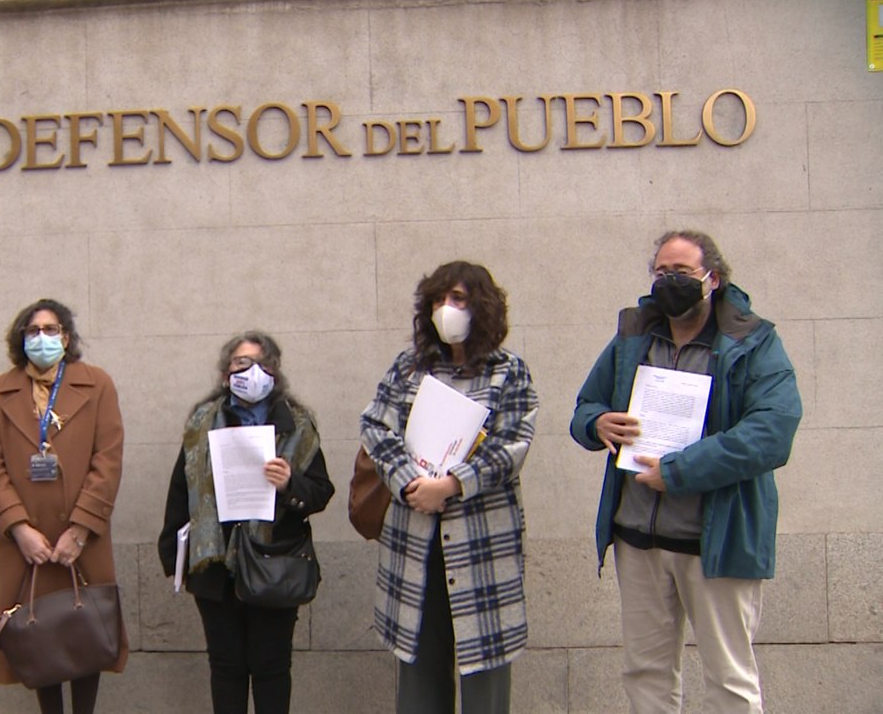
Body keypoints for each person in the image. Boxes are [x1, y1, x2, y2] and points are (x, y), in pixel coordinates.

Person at [570, 231, 801, 713]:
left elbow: (771, 432)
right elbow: (585, 405)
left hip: (716, 540)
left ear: (712, 279)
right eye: (660, 272)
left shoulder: (752, 341)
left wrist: (680, 470)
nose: (669, 281)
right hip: (638, 538)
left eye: (682, 273)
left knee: (728, 679)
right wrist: (596, 423)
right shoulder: (633, 336)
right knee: (645, 674)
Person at [361, 261, 537, 714]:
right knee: (419, 681)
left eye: (457, 299)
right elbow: (376, 428)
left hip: (481, 545)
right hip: (415, 542)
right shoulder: (409, 368)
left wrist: (454, 485)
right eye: (439, 300)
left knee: (485, 680)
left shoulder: (509, 371)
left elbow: (512, 444)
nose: (447, 309)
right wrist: (410, 483)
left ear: (481, 307)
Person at [158, 331, 333, 714]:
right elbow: (180, 490)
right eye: (241, 363)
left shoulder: (298, 426)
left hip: (275, 562)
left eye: (261, 364)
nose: (251, 372)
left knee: (271, 668)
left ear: (275, 373)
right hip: (215, 565)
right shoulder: (202, 423)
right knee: (226, 667)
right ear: (225, 375)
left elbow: (321, 492)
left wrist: (290, 484)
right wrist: (175, 556)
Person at [0, 299, 127, 714]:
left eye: (51, 329)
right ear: (20, 339)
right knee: (37, 631)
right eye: (32, 330)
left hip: (83, 536)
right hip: (29, 541)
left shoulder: (98, 384)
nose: (42, 338)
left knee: (84, 632)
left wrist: (80, 529)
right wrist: (18, 528)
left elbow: (108, 458)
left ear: (66, 336)